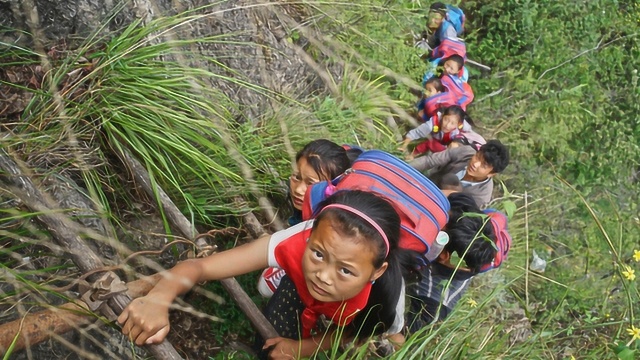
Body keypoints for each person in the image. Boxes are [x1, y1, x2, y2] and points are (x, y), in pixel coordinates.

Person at [118, 190, 419, 359]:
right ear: (309, 235)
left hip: (353, 316)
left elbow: (355, 334)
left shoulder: (383, 303)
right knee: (275, 335)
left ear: (376, 271)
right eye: (317, 254)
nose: (324, 276)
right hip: (299, 284)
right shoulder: (293, 243)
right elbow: (201, 267)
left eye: (344, 270)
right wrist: (159, 297)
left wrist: (303, 348)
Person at [258, 140, 359, 297]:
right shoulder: (319, 208)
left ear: (331, 187)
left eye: (310, 183)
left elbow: (265, 287)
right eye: (297, 177)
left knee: (266, 285)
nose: (298, 190)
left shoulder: (332, 226)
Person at [406, 192, 498, 332]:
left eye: (438, 231)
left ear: (444, 255)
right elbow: (456, 195)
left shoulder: (434, 304)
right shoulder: (469, 220)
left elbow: (404, 338)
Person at [409, 139, 509, 208]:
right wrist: (403, 168)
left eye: (483, 165)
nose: (475, 164)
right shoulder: (465, 152)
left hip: (434, 207)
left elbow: (457, 213)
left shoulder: (482, 197)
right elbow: (429, 161)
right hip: (424, 183)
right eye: (478, 157)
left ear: (491, 174)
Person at [398, 105, 474, 159]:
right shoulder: (432, 124)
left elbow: (471, 138)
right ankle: (412, 155)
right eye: (446, 119)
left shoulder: (464, 127)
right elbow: (415, 133)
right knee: (430, 143)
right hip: (438, 143)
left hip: (451, 149)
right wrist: (404, 145)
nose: (447, 125)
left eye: (452, 123)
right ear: (442, 116)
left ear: (459, 124)